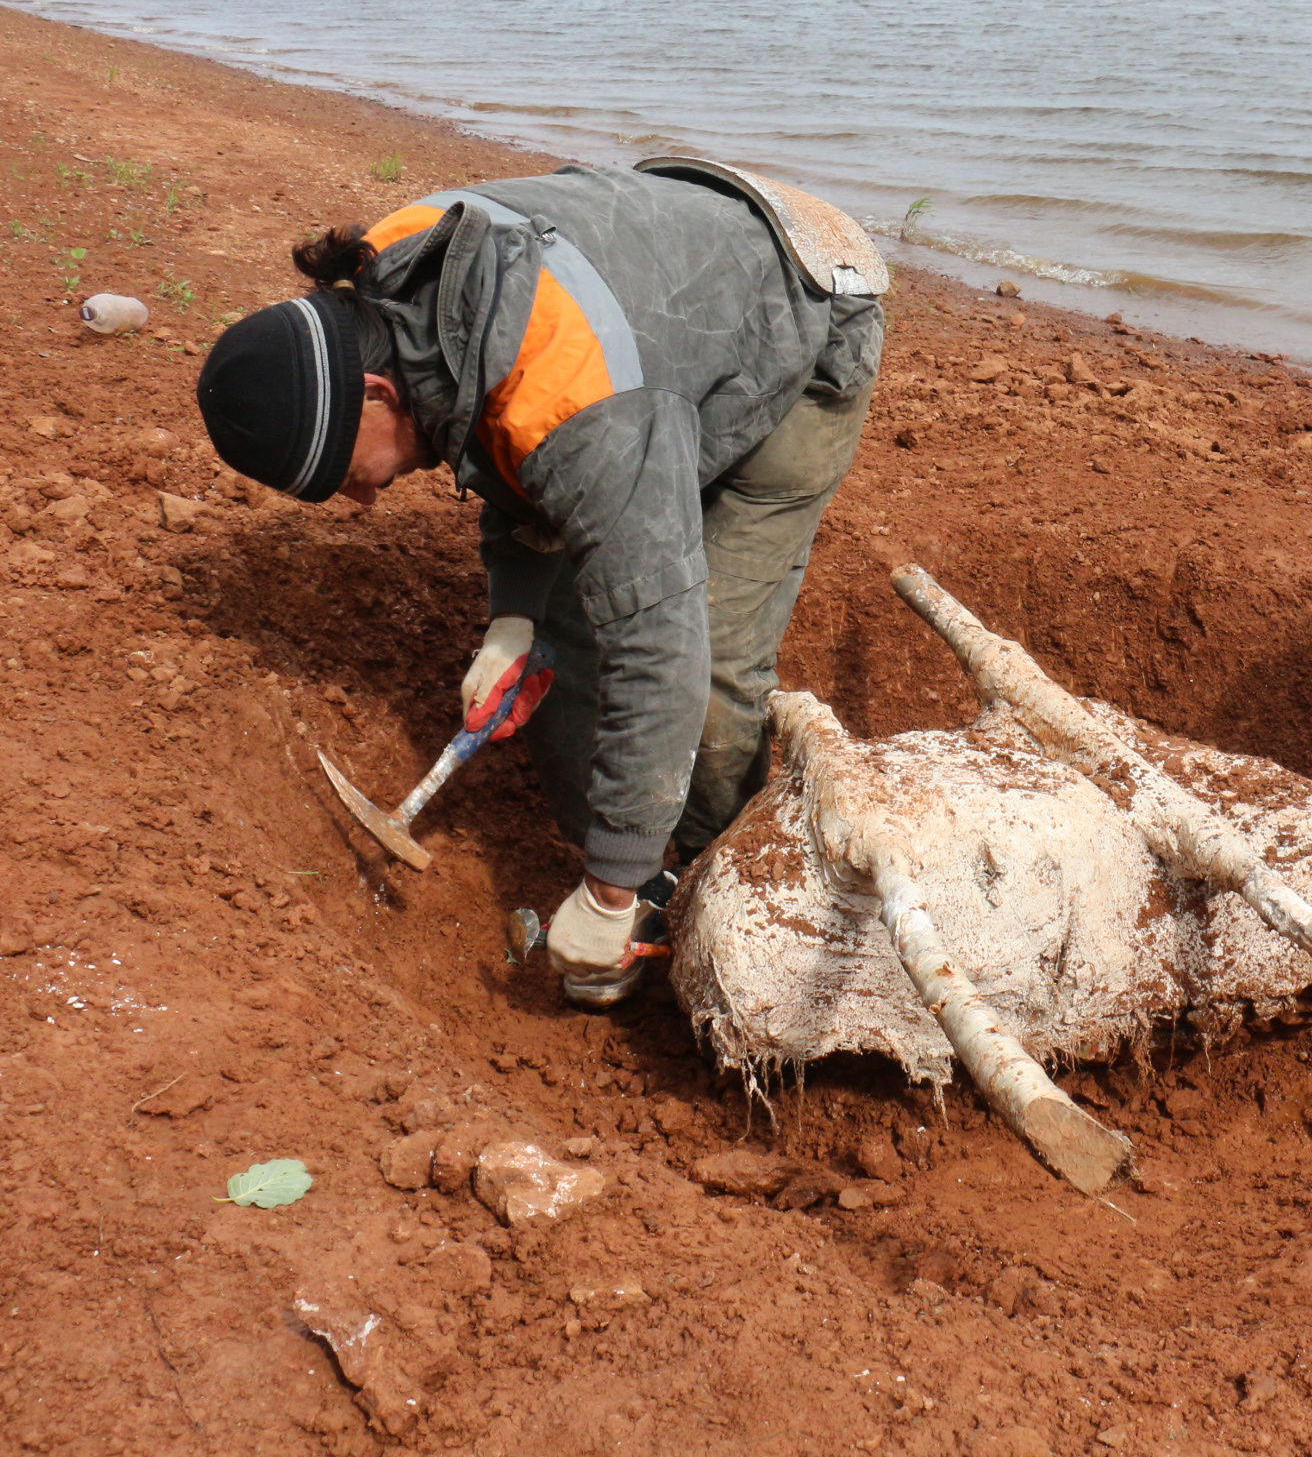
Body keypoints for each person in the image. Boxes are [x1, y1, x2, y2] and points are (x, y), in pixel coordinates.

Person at [192, 160, 884, 1007]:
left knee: (710, 667)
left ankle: (725, 890)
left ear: (376, 393)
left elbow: (660, 643)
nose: (365, 498)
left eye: (346, 475)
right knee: (578, 624)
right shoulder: (391, 283)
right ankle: (638, 876)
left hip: (804, 306)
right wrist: (514, 616)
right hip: (664, 313)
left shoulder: (580, 406)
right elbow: (484, 417)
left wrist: (608, 895)